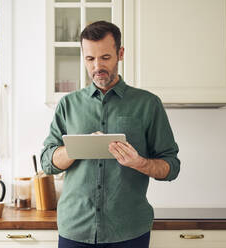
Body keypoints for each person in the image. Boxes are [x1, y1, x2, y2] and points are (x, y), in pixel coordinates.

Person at [41, 21, 180, 248]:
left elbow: (171, 166)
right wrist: (78, 147)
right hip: (75, 230)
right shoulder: (68, 104)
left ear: (120, 54)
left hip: (129, 231)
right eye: (90, 59)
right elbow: (48, 162)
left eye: (105, 57)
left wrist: (140, 163)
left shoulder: (147, 104)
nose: (97, 66)